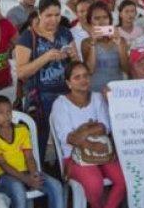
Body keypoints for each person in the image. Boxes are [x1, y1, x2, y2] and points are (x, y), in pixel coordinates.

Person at [50, 63, 126, 208]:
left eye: (85, 76)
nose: (83, 80)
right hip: (73, 156)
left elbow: (104, 127)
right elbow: (68, 138)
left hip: (102, 152)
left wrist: (83, 131)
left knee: (123, 180)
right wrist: (91, 133)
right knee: (94, 184)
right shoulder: (61, 104)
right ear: (68, 83)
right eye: (77, 77)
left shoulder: (97, 98)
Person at [13, 0, 74, 155]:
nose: (53, 19)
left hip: (66, 93)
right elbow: (21, 72)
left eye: (57, 15)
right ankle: (40, 171)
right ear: (39, 14)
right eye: (49, 15)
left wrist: (74, 57)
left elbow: (76, 66)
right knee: (39, 141)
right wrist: (45, 57)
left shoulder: (65, 33)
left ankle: (63, 171)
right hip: (40, 96)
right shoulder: (28, 37)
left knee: (67, 138)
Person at [0, 94, 65, 208]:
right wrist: (26, 180)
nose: (6, 116)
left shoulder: (22, 129)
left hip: (26, 172)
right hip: (2, 176)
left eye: (8, 112)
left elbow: (29, 157)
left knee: (56, 186)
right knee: (17, 189)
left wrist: (34, 175)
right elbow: (2, 164)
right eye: (0, 113)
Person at [81, 2, 126, 94]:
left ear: (110, 20)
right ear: (90, 21)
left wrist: (119, 44)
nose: (101, 22)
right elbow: (90, 70)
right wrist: (93, 43)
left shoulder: (121, 40)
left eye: (105, 17)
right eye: (96, 18)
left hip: (117, 91)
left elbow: (126, 68)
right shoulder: (86, 42)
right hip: (95, 92)